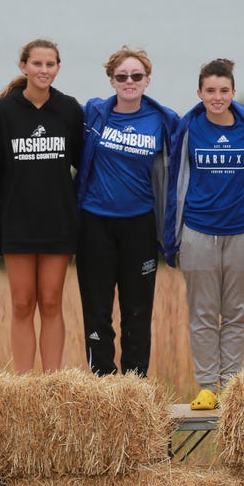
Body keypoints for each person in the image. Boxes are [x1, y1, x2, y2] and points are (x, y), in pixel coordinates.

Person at [163, 59, 244, 410]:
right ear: (199, 93)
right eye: (210, 90)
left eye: (224, 90)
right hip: (198, 232)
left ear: (233, 92)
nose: (217, 97)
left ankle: (231, 385)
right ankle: (208, 386)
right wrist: (172, 233)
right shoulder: (188, 129)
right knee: (203, 314)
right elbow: (173, 182)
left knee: (237, 312)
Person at [0, 38, 83, 374]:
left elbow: (84, 166)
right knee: (23, 303)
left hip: (58, 224)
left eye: (50, 64)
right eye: (37, 64)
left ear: (58, 68)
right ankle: (24, 384)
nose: (43, 70)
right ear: (23, 66)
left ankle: (52, 383)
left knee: (51, 301)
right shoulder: (5, 112)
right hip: (17, 224)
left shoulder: (69, 109)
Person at [74, 46, 179, 377]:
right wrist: (7, 109)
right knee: (97, 309)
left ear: (148, 80)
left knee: (137, 310)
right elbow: (50, 110)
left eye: (136, 76)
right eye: (122, 76)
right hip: (94, 223)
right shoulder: (93, 113)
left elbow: (207, 123)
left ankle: (135, 382)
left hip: (140, 225)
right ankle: (102, 380)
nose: (129, 81)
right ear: (111, 80)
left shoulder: (164, 120)